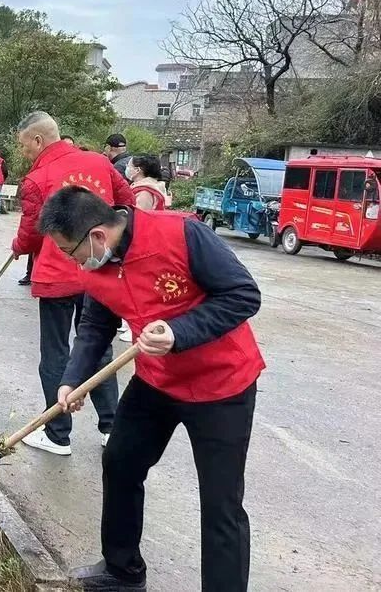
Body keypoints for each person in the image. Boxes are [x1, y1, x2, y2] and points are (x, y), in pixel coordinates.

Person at [39, 185, 264, 592]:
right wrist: (72, 378)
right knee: (121, 462)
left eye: (70, 252)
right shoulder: (99, 267)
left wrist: (180, 332)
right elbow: (95, 325)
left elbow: (243, 294)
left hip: (221, 385)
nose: (73, 263)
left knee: (221, 504)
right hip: (156, 382)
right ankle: (122, 571)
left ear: (97, 237)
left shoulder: (182, 234)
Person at [11, 111, 134, 455]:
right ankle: (112, 427)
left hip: (58, 274)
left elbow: (33, 231)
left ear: (38, 140)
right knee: (98, 346)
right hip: (98, 269)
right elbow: (126, 201)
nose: (24, 154)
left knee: (55, 353)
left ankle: (57, 434)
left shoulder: (39, 177)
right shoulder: (99, 162)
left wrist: (19, 247)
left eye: (24, 146)